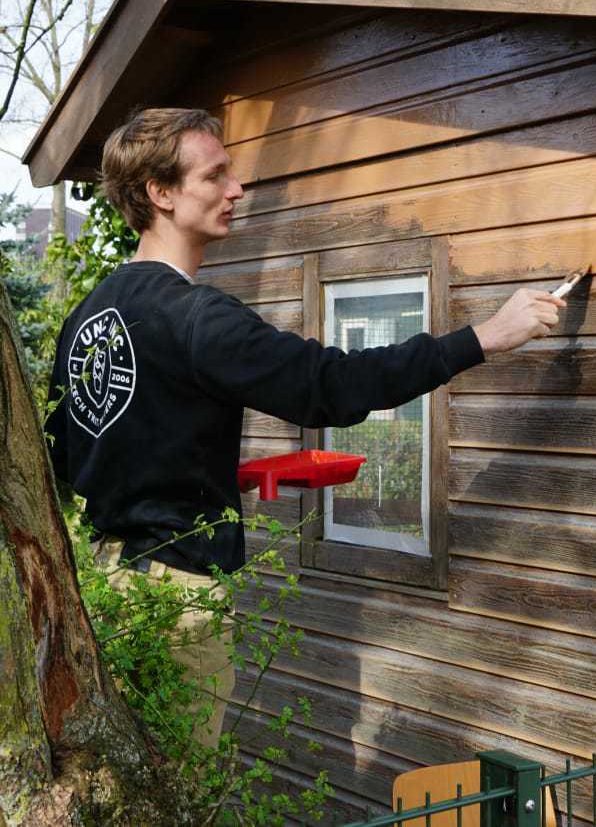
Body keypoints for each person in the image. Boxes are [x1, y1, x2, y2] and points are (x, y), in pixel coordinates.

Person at [47, 106, 565, 747]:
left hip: (107, 591)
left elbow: (71, 458)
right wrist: (484, 337)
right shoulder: (196, 317)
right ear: (161, 193)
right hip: (179, 603)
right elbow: (331, 386)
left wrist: (205, 472)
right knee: (177, 783)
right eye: (215, 175)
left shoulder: (84, 318)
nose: (237, 189)